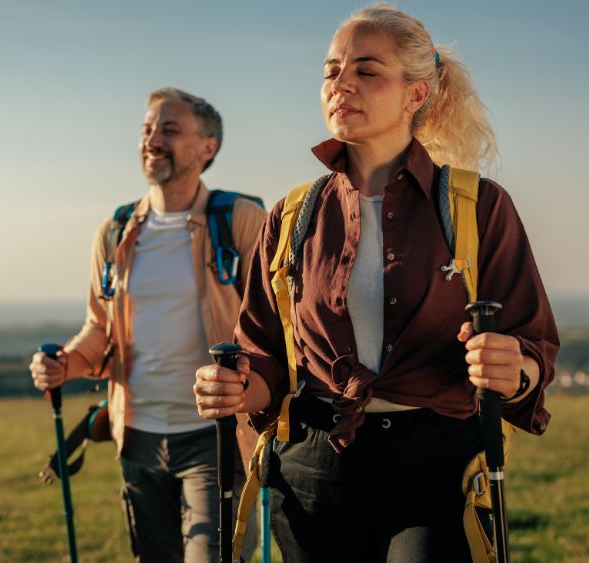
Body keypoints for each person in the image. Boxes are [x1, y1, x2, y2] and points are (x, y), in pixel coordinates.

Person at [193, 4, 559, 562]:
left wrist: (517, 368)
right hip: (312, 468)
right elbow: (263, 352)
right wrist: (240, 387)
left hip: (437, 471)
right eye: (331, 70)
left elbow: (532, 343)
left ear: (417, 94)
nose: (341, 84)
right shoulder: (293, 214)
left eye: (367, 71)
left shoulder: (478, 206)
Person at [29, 87, 265, 562]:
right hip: (136, 436)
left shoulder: (240, 220)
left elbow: (272, 324)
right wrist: (67, 363)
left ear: (207, 147)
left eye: (169, 130)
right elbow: (100, 327)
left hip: (216, 435)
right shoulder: (116, 231)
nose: (152, 139)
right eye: (147, 129)